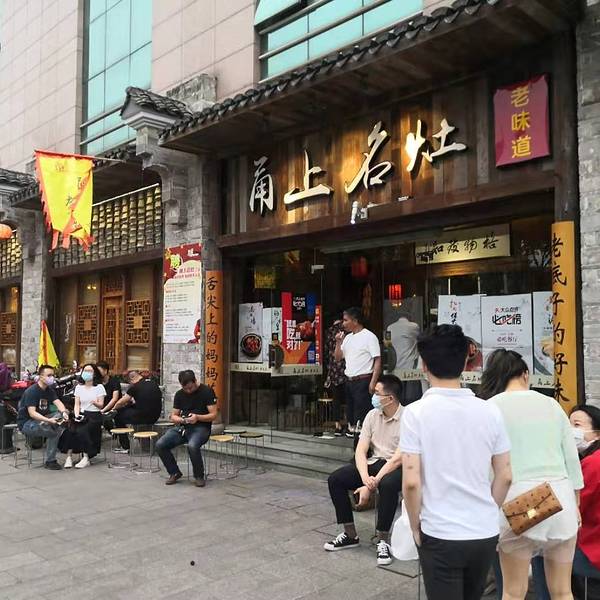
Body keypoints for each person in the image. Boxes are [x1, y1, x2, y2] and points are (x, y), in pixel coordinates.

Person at [400, 324, 512, 600]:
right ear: (464, 362)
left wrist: (414, 525)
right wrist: (487, 510)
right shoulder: (490, 411)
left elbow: (411, 482)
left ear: (424, 365)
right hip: (483, 530)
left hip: (439, 531)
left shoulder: (415, 413)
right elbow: (505, 475)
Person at [480, 349, 583, 600]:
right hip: (560, 499)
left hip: (518, 503)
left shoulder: (490, 408)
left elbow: (485, 465)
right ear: (525, 374)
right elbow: (571, 459)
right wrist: (576, 503)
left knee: (513, 591)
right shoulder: (551, 404)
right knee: (562, 591)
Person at [324, 374, 404, 566]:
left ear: (390, 398)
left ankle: (383, 540)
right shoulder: (372, 415)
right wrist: (365, 477)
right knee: (336, 479)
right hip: (373, 462)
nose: (373, 396)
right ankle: (350, 534)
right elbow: (361, 450)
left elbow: (397, 459)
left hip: (397, 466)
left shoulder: (408, 418)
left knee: (388, 484)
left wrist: (371, 484)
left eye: (377, 393)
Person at [155, 370, 217, 487]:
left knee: (192, 446)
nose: (188, 391)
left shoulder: (206, 391)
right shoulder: (179, 394)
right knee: (160, 444)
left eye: (190, 388)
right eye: (185, 389)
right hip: (183, 427)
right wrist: (181, 420)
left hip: (201, 427)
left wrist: (197, 417)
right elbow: (173, 415)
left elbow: (213, 415)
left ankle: (199, 476)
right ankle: (174, 472)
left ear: (195, 381)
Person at [334, 307, 381, 438]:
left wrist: (373, 382)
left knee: (362, 415)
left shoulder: (369, 337)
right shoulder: (347, 338)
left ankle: (363, 445)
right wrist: (338, 342)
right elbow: (337, 358)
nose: (343, 323)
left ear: (355, 321)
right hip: (349, 380)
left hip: (363, 380)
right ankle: (355, 441)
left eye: (346, 320)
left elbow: (377, 360)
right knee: (351, 415)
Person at [570, 405, 600, 599]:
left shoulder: (592, 463)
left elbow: (577, 506)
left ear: (596, 432)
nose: (571, 431)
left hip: (592, 550)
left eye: (577, 425)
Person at [16, 364, 70, 470]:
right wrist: (48, 420)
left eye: (53, 375)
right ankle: (50, 461)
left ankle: (54, 426)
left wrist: (64, 412)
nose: (52, 378)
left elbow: (58, 402)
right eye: (49, 375)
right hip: (27, 423)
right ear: (41, 377)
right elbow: (32, 413)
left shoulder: (49, 390)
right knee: (54, 432)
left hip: (44, 419)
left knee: (63, 413)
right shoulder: (31, 391)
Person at [61, 364, 106, 469]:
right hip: (81, 414)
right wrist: (76, 415)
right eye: (85, 371)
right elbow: (77, 404)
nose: (87, 373)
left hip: (94, 415)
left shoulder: (99, 387)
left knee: (83, 431)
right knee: (70, 430)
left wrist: (95, 402)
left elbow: (101, 405)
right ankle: (69, 457)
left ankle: (86, 457)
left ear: (95, 374)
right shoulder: (79, 387)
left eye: (90, 371)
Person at [113, 370, 162, 451]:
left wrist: (113, 409)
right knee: (129, 409)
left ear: (132, 378)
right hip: (155, 415)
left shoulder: (135, 387)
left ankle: (125, 446)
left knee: (118, 415)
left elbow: (121, 402)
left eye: (129, 382)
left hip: (143, 417)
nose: (130, 384)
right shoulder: (153, 383)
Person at [324, 318, 346, 436]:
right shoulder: (346, 331)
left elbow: (326, 352)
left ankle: (337, 425)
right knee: (349, 398)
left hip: (333, 370)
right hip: (346, 368)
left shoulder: (328, 332)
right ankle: (351, 424)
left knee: (336, 399)